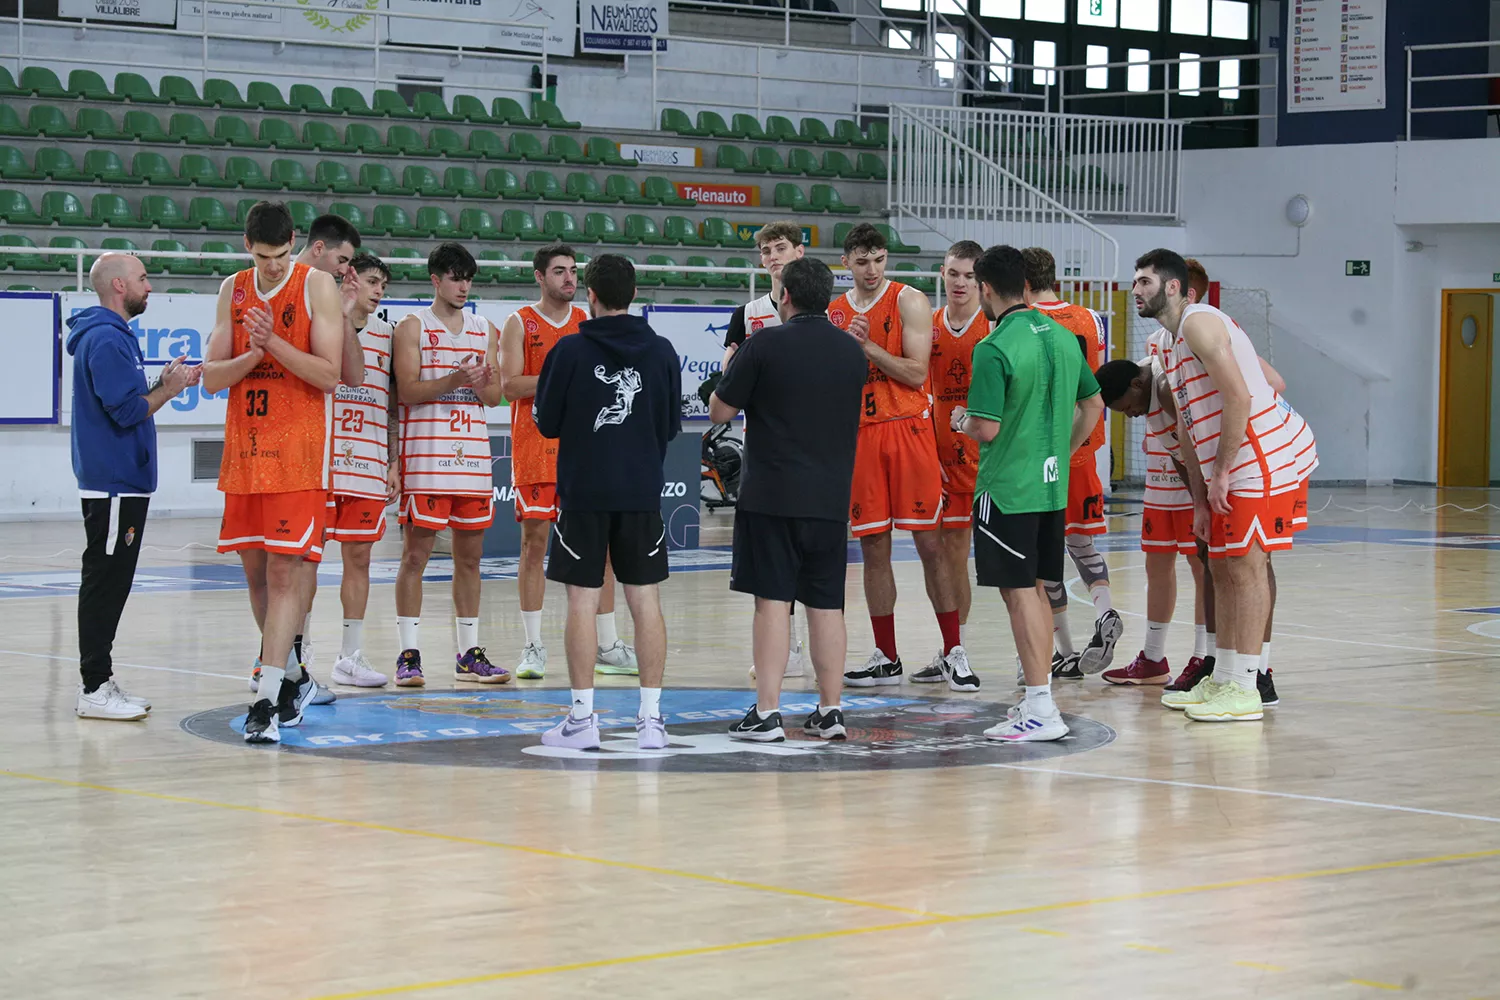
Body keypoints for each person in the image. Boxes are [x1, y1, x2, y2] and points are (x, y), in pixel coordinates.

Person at [1132, 249, 1316, 723]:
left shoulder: (1199, 321)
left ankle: (1247, 687)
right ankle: (1228, 676)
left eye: (1145, 282)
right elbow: (1189, 429)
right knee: (1223, 568)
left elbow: (1242, 394)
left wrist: (1223, 472)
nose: (1136, 290)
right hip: (1230, 465)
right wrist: (1199, 499)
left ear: (1173, 287)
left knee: (1248, 570)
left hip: (1258, 458)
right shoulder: (1168, 344)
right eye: (1135, 282)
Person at [203, 201, 345, 744]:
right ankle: (291, 677)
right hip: (245, 458)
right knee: (258, 581)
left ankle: (263, 700)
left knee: (285, 578)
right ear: (248, 247)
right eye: (263, 257)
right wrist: (252, 352)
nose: (272, 267)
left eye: (281, 256)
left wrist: (274, 344)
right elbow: (212, 378)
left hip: (298, 459)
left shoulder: (316, 287)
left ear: (294, 243)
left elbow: (329, 375)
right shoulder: (232, 290)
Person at [709, 258, 866, 741]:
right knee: (827, 605)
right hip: (830, 497)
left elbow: (720, 409)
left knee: (772, 604)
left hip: (772, 495)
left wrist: (730, 368)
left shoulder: (764, 344)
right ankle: (831, 709)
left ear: (786, 297)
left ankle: (768, 712)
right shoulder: (852, 352)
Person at [952, 245, 1103, 743]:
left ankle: (1041, 706)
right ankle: (1038, 702)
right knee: (1038, 591)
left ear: (986, 288)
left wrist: (961, 422)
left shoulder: (993, 346)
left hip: (1007, 491)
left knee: (1020, 596)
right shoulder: (1062, 336)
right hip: (1051, 485)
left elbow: (987, 428)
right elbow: (1094, 404)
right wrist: (1064, 447)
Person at [532, 255, 681, 750]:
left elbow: (547, 423)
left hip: (585, 493)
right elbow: (669, 427)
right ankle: (652, 721)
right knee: (645, 599)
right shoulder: (662, 351)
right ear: (633, 295)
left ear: (589, 296)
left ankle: (582, 719)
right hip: (641, 492)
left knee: (582, 599)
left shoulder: (569, 351)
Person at [827, 224, 968, 689]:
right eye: (863, 261)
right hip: (860, 436)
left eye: (880, 259)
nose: (872, 270)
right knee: (872, 548)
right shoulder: (833, 313)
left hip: (908, 432)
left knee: (931, 546)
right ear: (846, 262)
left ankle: (953, 651)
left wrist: (864, 346)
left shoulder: (908, 299)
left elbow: (914, 372)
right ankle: (886, 656)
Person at [68, 253, 201, 721]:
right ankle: (93, 687)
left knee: (112, 582)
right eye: (143, 278)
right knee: (105, 584)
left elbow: (127, 399)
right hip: (114, 485)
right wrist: (173, 388)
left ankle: (99, 682)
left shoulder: (111, 336)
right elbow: (126, 412)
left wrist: (162, 383)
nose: (151, 285)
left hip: (120, 483)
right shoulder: (105, 338)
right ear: (119, 286)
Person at [498, 244, 638, 682]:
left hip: (586, 451)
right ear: (539, 277)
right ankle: (533, 646)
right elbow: (510, 385)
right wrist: (565, 372)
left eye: (574, 272)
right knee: (533, 544)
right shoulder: (519, 322)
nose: (569, 279)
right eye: (559, 272)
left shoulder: (587, 322)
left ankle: (608, 643)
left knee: (604, 551)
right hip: (535, 447)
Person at [247, 213, 363, 696]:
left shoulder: (328, 293)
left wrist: (349, 315)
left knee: (298, 570)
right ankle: (286, 666)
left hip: (316, 453)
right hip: (259, 454)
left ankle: (290, 669)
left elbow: (347, 376)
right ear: (314, 248)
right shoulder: (246, 290)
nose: (347, 270)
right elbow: (214, 373)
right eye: (344, 260)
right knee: (273, 573)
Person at [391, 242, 506, 686]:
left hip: (472, 461)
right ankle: (408, 655)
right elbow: (407, 392)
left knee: (470, 561)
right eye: (455, 277)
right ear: (435, 280)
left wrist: (479, 384)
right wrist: (456, 379)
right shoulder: (412, 326)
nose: (463, 286)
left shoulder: (484, 329)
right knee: (415, 557)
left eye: (468, 278)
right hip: (426, 461)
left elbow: (495, 398)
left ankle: (469, 654)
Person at [1021, 248, 1121, 680]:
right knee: (1082, 544)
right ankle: (1105, 610)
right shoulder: (1089, 319)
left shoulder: (1022, 323)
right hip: (1087, 444)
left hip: (1046, 448)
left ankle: (1061, 651)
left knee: (1044, 555)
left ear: (1023, 283)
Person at [721, 221, 811, 681]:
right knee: (774, 553)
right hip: (765, 443)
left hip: (816, 444)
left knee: (815, 554)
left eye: (781, 248)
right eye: (766, 250)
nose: (773, 256)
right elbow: (728, 372)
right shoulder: (749, 312)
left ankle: (819, 646)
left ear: (799, 251)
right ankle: (787, 648)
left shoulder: (822, 307)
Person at [911, 240, 988, 690]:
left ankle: (959, 652)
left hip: (983, 457)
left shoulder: (993, 327)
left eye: (970, 276)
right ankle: (949, 650)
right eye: (953, 274)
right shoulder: (931, 325)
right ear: (942, 274)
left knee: (961, 557)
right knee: (938, 558)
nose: (960, 283)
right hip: (934, 456)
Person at [326, 252, 396, 687]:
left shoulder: (388, 334)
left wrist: (392, 460)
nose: (377, 291)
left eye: (383, 286)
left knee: (360, 559)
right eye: (371, 281)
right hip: (323, 460)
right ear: (350, 281)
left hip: (368, 462)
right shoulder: (324, 320)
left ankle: (349, 656)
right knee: (301, 563)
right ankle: (296, 653)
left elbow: (391, 406)